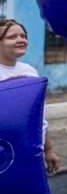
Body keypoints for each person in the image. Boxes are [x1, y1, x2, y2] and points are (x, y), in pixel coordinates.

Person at [0, 19, 60, 173]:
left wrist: (49, 150)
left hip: (30, 150)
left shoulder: (29, 71)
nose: (21, 40)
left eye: (23, 36)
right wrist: (8, 87)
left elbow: (38, 117)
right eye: (12, 37)